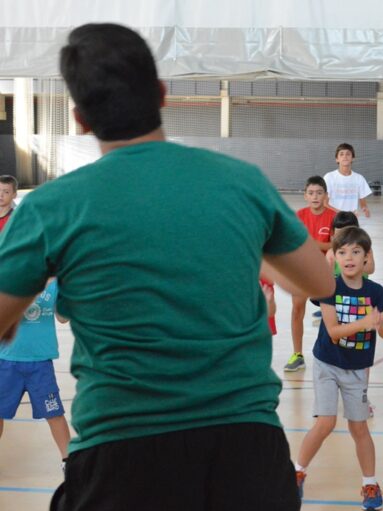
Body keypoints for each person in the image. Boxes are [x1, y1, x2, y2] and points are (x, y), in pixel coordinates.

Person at [0, 23, 334, 511]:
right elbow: (320, 282)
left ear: (80, 119)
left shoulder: (51, 207)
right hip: (247, 452)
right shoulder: (241, 182)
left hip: (120, 456)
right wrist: (238, 243)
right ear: (161, 94)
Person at [295, 226, 383, 511]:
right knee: (325, 422)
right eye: (342, 252)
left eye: (355, 251)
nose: (348, 257)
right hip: (327, 364)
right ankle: (298, 472)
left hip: (357, 370)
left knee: (359, 427)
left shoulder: (376, 292)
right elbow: (334, 331)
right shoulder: (329, 288)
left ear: (366, 258)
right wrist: (364, 323)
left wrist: (380, 324)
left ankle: (370, 483)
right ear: (335, 257)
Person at [0, 280, 71, 465]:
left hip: (40, 363)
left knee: (54, 413)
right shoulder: (13, 278)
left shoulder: (56, 283)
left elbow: (63, 318)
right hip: (7, 361)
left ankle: (69, 463)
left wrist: (69, 294)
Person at [285, 176, 337, 372]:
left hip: (325, 272)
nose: (315, 196)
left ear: (325, 195)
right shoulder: (298, 216)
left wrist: (316, 245)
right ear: (305, 196)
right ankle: (297, 354)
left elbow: (337, 244)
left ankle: (329, 356)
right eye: (311, 193)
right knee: (297, 310)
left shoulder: (333, 216)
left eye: (319, 192)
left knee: (329, 314)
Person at [323, 143, 372, 217]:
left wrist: (364, 208)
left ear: (353, 158)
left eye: (348, 154)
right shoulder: (329, 177)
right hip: (334, 218)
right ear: (337, 159)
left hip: (351, 219)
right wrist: (342, 214)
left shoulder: (359, 178)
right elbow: (324, 203)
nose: (345, 156)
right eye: (341, 154)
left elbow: (362, 200)